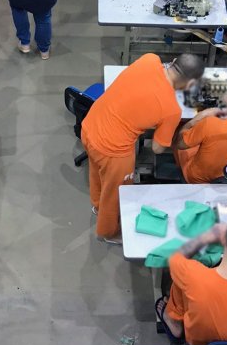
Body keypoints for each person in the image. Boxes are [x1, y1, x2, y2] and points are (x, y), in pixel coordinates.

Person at [81, 53, 205, 243]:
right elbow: (157, 148)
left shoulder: (149, 59)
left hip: (91, 125)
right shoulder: (171, 110)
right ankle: (109, 232)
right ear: (190, 83)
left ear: (173, 62)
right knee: (116, 194)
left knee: (97, 172)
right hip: (113, 151)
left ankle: (98, 205)